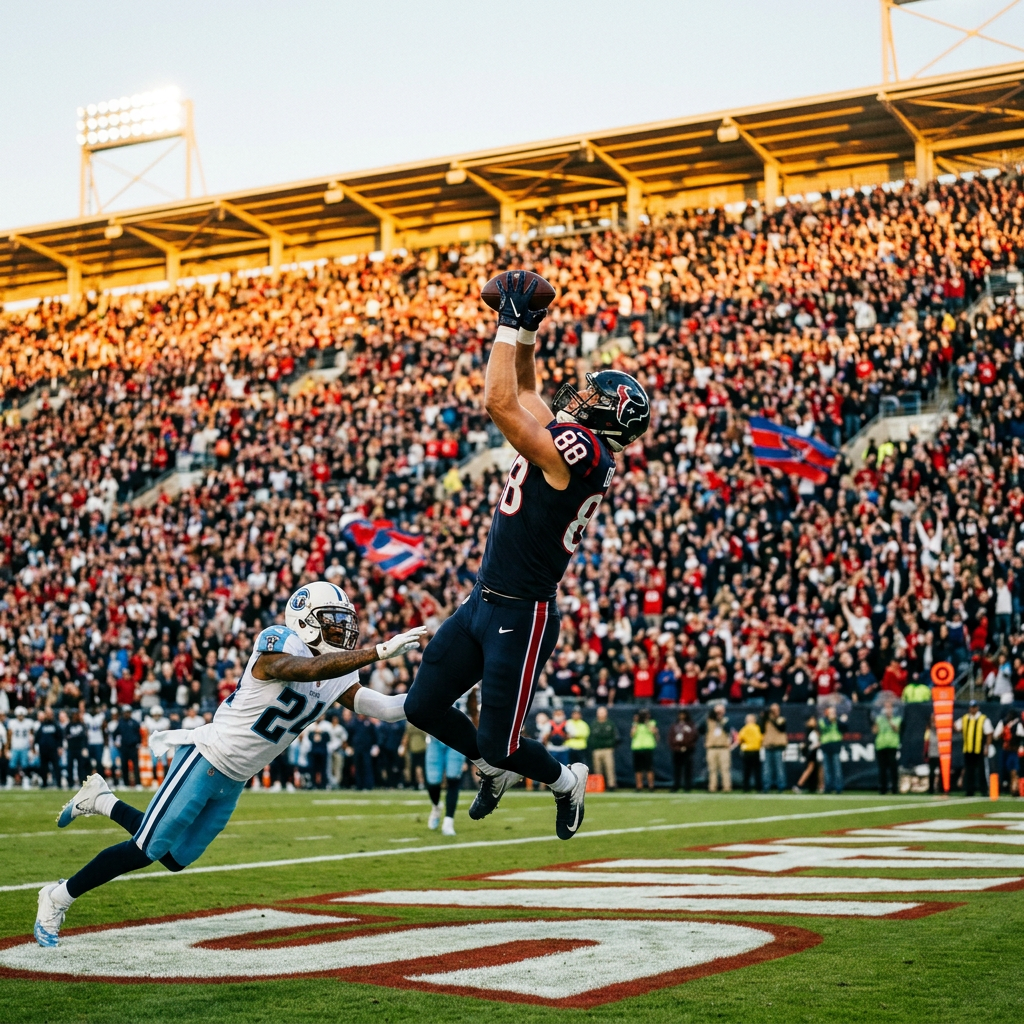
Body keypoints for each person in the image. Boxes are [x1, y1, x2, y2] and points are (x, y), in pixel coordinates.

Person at [35, 581, 425, 948]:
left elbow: (390, 709)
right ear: (305, 621)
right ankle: (57, 896)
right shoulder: (279, 642)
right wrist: (377, 652)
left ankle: (102, 799)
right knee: (146, 848)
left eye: (345, 622)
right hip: (207, 757)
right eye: (333, 621)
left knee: (174, 858)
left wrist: (444, 691)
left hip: (236, 779)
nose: (343, 630)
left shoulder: (337, 673)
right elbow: (301, 670)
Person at [404, 271, 651, 841]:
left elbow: (500, 402)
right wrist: (529, 333)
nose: (579, 398)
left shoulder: (585, 452)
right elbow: (528, 390)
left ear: (609, 419)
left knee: (503, 743)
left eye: (593, 399)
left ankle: (565, 779)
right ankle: (492, 766)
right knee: (424, 706)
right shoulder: (580, 441)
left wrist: (508, 323)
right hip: (483, 600)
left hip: (522, 614)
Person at [425, 735, 465, 837]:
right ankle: (436, 806)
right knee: (433, 782)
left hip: (456, 739)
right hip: (435, 739)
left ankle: (448, 822)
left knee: (453, 779)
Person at [955, 700, 992, 797]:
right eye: (971, 707)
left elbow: (989, 733)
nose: (972, 709)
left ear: (977, 708)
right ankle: (969, 790)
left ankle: (984, 790)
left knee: (981, 770)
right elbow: (956, 727)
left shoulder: (983, 719)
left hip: (979, 749)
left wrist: (987, 747)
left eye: (974, 707)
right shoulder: (965, 718)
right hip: (968, 748)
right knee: (969, 771)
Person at [873, 704, 902, 795]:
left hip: (892, 745)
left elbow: (896, 729)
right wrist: (876, 722)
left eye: (889, 708)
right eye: (886, 708)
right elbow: (875, 731)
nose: (888, 710)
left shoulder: (897, 719)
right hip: (881, 745)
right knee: (882, 768)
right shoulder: (879, 719)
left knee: (893, 767)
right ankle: (883, 788)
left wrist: (889, 720)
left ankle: (894, 788)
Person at [589, 706, 619, 790]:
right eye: (600, 713)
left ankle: (611, 785)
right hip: (597, 749)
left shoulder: (610, 724)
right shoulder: (594, 724)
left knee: (609, 768)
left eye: (603, 712)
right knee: (597, 769)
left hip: (607, 749)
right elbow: (591, 737)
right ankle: (599, 785)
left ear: (606, 713)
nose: (601, 714)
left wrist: (610, 744)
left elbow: (615, 737)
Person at [704, 704, 733, 793]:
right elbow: (699, 728)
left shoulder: (726, 721)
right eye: (717, 711)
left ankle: (727, 787)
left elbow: (729, 730)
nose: (719, 713)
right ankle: (712, 787)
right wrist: (710, 716)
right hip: (712, 748)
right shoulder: (708, 721)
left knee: (725, 769)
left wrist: (721, 720)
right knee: (712, 769)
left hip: (723, 748)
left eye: (721, 711)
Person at [819, 707, 848, 795]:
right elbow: (824, 727)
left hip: (835, 745)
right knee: (827, 768)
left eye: (834, 712)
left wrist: (841, 721)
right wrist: (831, 721)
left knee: (837, 768)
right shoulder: (822, 721)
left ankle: (838, 787)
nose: (833, 714)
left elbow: (845, 729)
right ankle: (828, 787)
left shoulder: (838, 721)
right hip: (826, 745)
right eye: (831, 712)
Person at [667, 710, 697, 792]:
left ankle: (687, 786)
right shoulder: (675, 726)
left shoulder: (690, 725)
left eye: (683, 715)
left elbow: (694, 736)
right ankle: (676, 785)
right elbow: (671, 737)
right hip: (677, 750)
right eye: (680, 715)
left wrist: (687, 745)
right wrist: (675, 746)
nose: (681, 716)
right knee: (677, 769)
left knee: (688, 769)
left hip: (687, 750)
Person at [761, 704, 788, 794]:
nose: (773, 711)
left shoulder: (781, 719)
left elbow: (780, 728)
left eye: (775, 710)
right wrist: (765, 716)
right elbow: (761, 729)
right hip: (768, 746)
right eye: (772, 710)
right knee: (767, 768)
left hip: (778, 746)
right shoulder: (766, 720)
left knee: (779, 768)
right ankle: (766, 786)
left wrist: (771, 717)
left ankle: (781, 786)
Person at [630, 709, 659, 790]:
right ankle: (639, 786)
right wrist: (636, 723)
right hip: (637, 747)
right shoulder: (636, 724)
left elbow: (653, 731)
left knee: (649, 768)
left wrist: (647, 723)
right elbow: (632, 734)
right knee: (638, 769)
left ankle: (651, 786)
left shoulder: (651, 723)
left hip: (647, 747)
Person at [794, 716, 822, 794]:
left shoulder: (816, 730)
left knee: (819, 769)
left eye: (814, 720)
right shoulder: (809, 731)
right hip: (811, 752)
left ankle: (820, 786)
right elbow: (808, 743)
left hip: (816, 752)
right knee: (810, 768)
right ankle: (799, 785)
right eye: (811, 720)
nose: (813, 721)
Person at [737, 713, 763, 793]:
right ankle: (758, 788)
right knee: (757, 771)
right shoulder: (757, 728)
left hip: (747, 751)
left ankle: (746, 788)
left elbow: (739, 739)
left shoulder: (744, 729)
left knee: (746, 771)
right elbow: (761, 739)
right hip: (755, 751)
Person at [923, 714, 942, 794]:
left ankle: (942, 788)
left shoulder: (941, 730)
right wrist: (926, 753)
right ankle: (931, 789)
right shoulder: (928, 731)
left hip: (941, 753)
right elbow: (926, 742)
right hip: (932, 753)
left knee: (942, 772)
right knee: (931, 772)